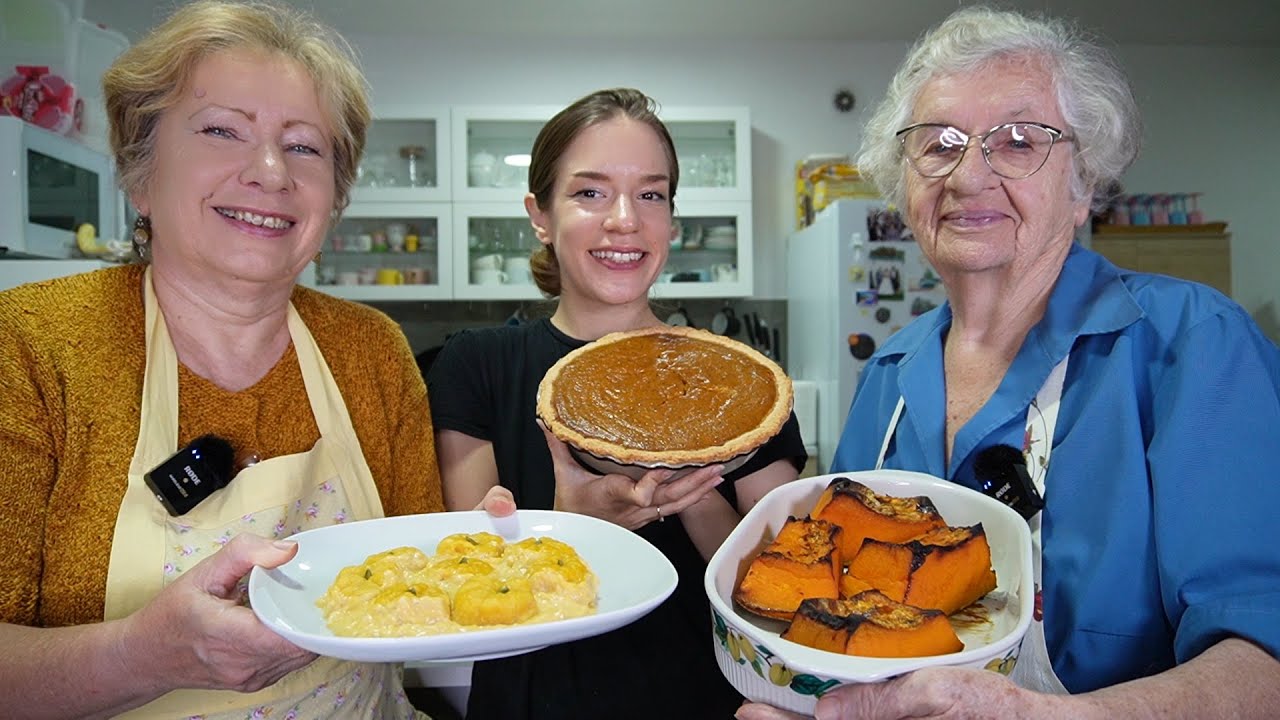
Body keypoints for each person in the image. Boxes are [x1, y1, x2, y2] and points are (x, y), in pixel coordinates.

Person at [738, 6, 1280, 720]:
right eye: (939, 144)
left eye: (1018, 141)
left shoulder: (1191, 342)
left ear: (1084, 184)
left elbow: (1263, 663)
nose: (968, 175)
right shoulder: (891, 373)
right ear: (904, 184)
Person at [0, 2, 511, 717]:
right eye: (221, 131)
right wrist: (140, 656)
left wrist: (505, 549)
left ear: (334, 198)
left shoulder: (369, 348)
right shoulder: (29, 342)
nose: (270, 172)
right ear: (140, 173)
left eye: (304, 147)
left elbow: (420, 582)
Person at [427, 87, 809, 720]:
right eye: (589, 192)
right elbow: (474, 586)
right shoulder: (478, 366)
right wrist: (575, 524)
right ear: (540, 215)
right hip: (532, 700)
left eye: (651, 194)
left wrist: (686, 484)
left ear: (671, 221)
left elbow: (773, 581)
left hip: (705, 695)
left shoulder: (741, 382)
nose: (625, 219)